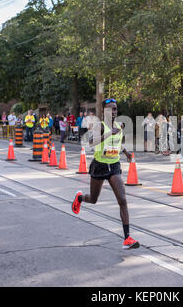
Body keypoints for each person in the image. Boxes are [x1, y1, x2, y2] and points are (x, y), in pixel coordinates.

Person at [71, 98, 140, 250]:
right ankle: (80, 198)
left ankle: (127, 238)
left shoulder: (118, 126)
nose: (113, 112)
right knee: (93, 199)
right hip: (99, 166)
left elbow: (115, 143)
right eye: (109, 109)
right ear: (104, 111)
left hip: (114, 166)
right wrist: (109, 133)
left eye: (115, 109)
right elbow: (91, 142)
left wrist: (126, 152)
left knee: (122, 200)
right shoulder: (99, 126)